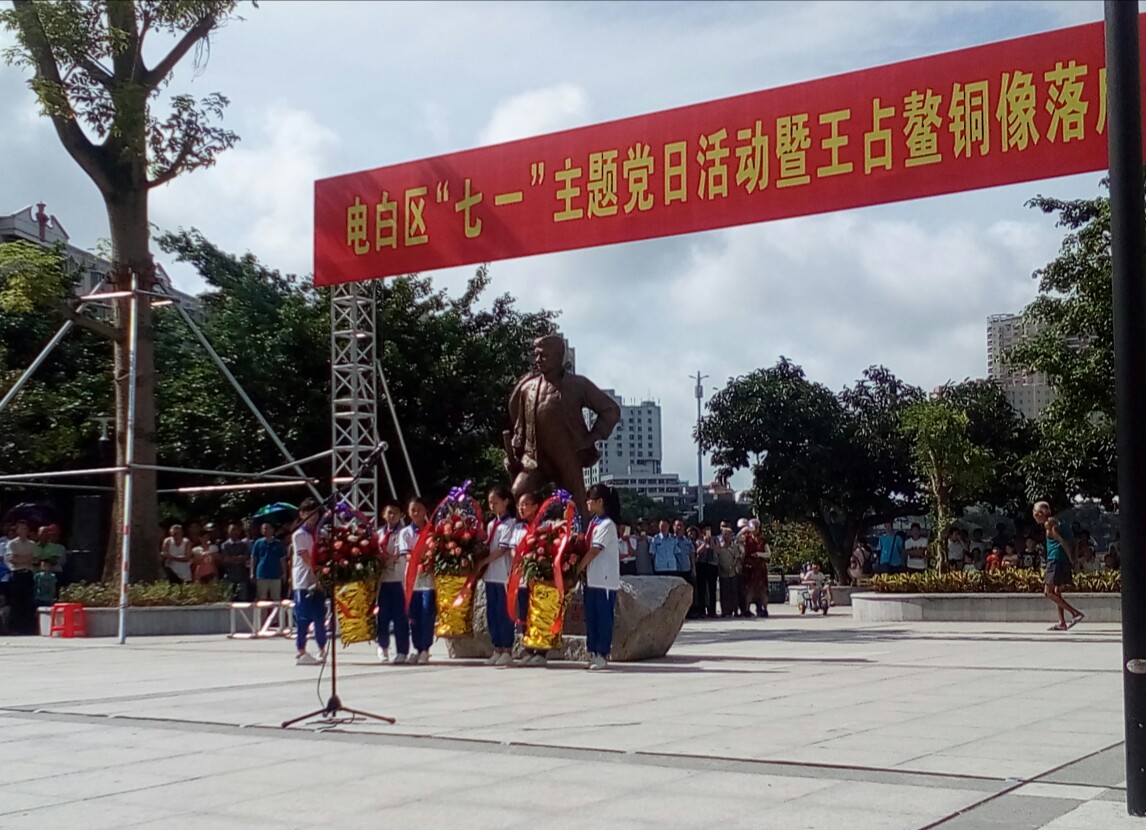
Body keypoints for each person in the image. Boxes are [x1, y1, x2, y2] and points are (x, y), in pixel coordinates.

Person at [580, 482, 622, 671]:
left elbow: (595, 550)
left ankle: (602, 653)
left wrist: (579, 567)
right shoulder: (594, 523)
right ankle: (593, 651)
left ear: (600, 501)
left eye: (591, 499)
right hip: (592, 578)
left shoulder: (607, 524)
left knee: (603, 617)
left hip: (604, 579)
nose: (588, 503)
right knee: (592, 617)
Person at [477, 487, 517, 667]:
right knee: (492, 613)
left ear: (506, 502)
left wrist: (483, 562)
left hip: (503, 575)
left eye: (496, 502)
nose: (492, 506)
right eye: (490, 503)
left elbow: (502, 549)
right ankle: (497, 648)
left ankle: (507, 649)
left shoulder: (511, 524)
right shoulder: (491, 524)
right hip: (491, 575)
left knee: (503, 613)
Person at [1034, 501, 1084, 631]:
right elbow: (1073, 541)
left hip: (1055, 559)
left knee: (1048, 592)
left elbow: (1062, 541)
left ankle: (1075, 613)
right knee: (1057, 592)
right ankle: (1062, 622)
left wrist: (1072, 560)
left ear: (1041, 513)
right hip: (1061, 559)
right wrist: (1073, 559)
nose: (1035, 516)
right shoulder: (1061, 522)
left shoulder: (1049, 523)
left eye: (1036, 513)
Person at [510, 491, 545, 667]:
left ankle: (541, 651)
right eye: (519, 505)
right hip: (523, 578)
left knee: (539, 614)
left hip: (540, 580)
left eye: (525, 504)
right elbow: (512, 549)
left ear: (535, 506)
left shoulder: (545, 527)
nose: (521, 508)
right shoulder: (518, 528)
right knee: (524, 614)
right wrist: (519, 560)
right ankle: (529, 649)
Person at [290, 498, 327, 665]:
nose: (313, 516)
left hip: (318, 580)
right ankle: (301, 650)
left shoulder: (322, 533)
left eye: (316, 513)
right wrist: (320, 572)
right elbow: (305, 557)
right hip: (304, 580)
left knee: (320, 615)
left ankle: (322, 649)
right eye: (309, 513)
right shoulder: (299, 534)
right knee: (303, 617)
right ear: (302, 514)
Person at [374, 501, 410, 665]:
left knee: (400, 617)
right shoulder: (379, 533)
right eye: (389, 512)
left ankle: (402, 651)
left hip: (398, 579)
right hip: (383, 581)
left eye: (395, 513)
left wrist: (387, 562)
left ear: (401, 515)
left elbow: (398, 553)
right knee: (382, 616)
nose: (392, 515)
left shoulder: (403, 532)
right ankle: (383, 646)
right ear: (383, 514)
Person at [403, 497, 435, 664]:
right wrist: (422, 558)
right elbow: (407, 555)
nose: (416, 513)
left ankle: (426, 649)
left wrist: (429, 559)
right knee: (414, 615)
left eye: (419, 509)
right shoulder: (405, 533)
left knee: (427, 613)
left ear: (425, 511)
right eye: (413, 510)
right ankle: (417, 648)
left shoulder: (433, 531)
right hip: (412, 580)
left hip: (429, 580)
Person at [6, 520, 38, 634]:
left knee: (28, 601)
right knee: (16, 601)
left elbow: (35, 559)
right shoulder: (12, 544)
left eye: (25, 529)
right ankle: (15, 628)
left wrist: (20, 558)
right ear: (17, 530)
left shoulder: (32, 544)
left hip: (28, 574)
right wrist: (27, 558)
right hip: (17, 574)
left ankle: (28, 628)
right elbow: (13, 560)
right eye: (21, 528)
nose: (23, 531)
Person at [250, 522, 287, 601]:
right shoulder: (258, 543)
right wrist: (252, 572)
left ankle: (276, 610)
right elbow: (254, 558)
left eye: (268, 528)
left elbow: (282, 559)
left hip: (276, 575)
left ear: (272, 530)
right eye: (264, 529)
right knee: (261, 598)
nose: (266, 530)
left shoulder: (278, 543)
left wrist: (284, 573)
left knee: (276, 598)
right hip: (262, 574)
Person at [219, 523, 251, 601]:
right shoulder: (225, 545)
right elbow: (226, 559)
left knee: (243, 599)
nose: (234, 532)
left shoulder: (243, 544)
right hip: (229, 576)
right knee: (228, 599)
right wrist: (238, 558)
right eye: (232, 530)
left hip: (242, 576)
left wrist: (233, 558)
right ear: (228, 531)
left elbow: (246, 557)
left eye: (235, 530)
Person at [716, 524, 742, 617]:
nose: (726, 536)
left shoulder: (735, 546)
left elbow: (737, 557)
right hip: (722, 572)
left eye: (728, 534)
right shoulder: (719, 546)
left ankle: (735, 610)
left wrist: (732, 565)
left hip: (732, 572)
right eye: (724, 534)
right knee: (724, 592)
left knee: (734, 592)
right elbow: (718, 558)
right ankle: (725, 611)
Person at [693, 526, 719, 618]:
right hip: (702, 564)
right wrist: (704, 543)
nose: (707, 531)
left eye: (709, 529)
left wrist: (711, 542)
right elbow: (697, 551)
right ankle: (702, 610)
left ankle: (712, 611)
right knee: (702, 589)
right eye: (705, 529)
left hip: (712, 565)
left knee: (712, 588)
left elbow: (718, 550)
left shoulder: (715, 539)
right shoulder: (699, 540)